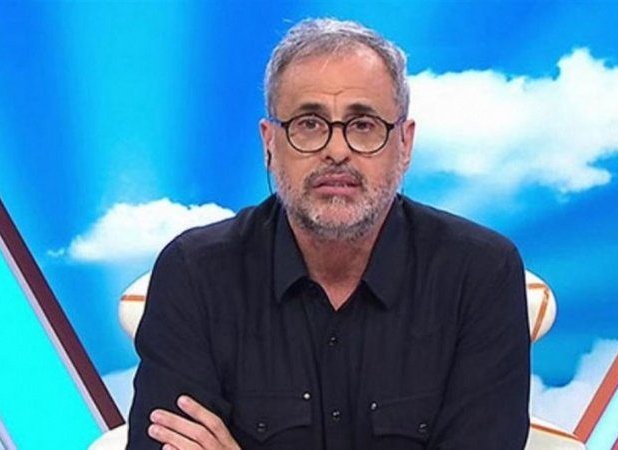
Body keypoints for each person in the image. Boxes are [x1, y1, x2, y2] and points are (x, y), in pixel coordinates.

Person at [127, 18, 530, 450]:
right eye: (309, 124)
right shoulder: (195, 273)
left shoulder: (480, 274)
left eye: (363, 125)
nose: (337, 151)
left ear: (405, 144)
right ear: (269, 143)